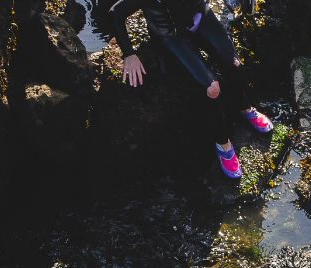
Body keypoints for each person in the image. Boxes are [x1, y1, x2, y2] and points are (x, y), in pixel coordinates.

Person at [109, 0, 274, 179]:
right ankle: (223, 143)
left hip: (200, 18)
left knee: (233, 64)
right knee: (211, 88)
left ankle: (245, 107)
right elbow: (115, 14)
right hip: (171, 35)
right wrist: (129, 53)